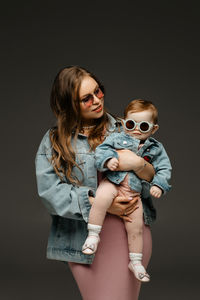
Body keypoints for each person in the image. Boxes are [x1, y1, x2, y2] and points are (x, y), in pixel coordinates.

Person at [35, 66, 155, 300]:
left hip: (131, 237)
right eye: (86, 98)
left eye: (98, 92)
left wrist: (139, 165)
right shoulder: (54, 142)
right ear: (69, 105)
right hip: (83, 243)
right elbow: (49, 192)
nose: (97, 101)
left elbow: (154, 182)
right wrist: (101, 204)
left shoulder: (126, 129)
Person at [82, 99, 172, 283]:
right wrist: (108, 160)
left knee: (136, 227)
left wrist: (158, 185)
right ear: (123, 123)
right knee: (101, 199)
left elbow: (164, 169)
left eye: (144, 126)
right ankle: (93, 235)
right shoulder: (117, 137)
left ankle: (136, 262)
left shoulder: (156, 149)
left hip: (134, 192)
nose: (136, 129)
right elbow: (101, 151)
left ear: (153, 129)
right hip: (113, 183)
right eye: (131, 124)